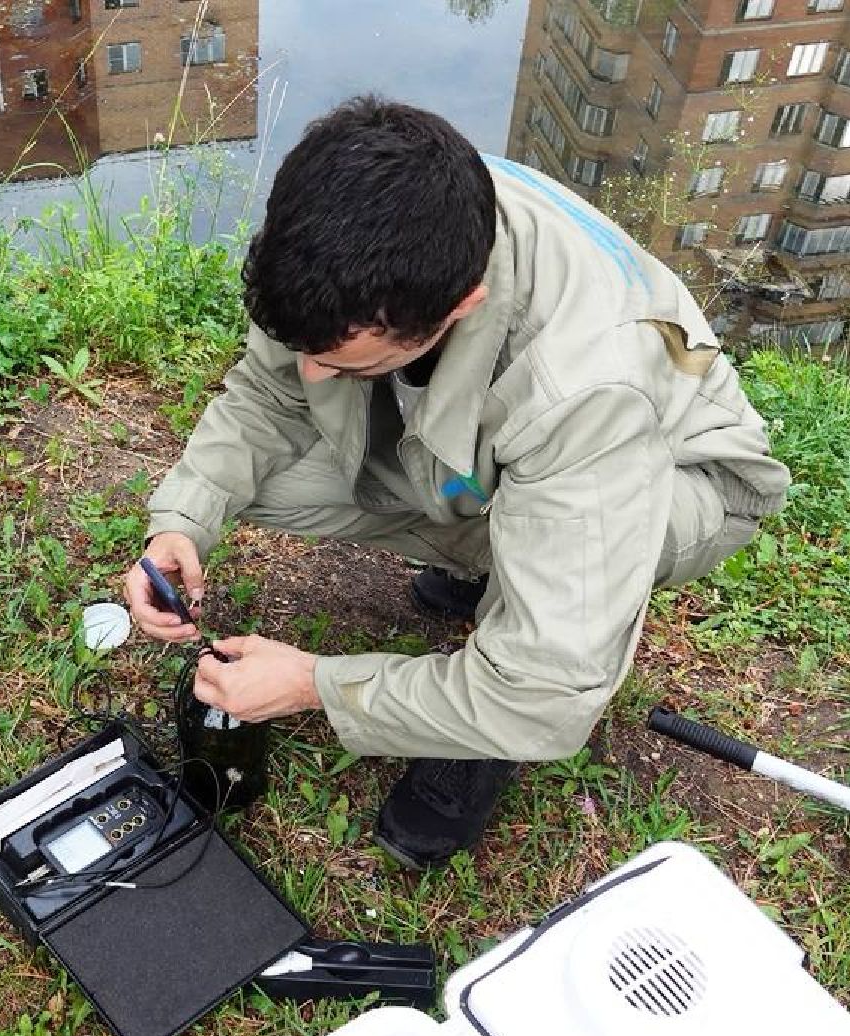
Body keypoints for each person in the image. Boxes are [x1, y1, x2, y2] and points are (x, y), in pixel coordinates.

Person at [120, 97, 791, 869]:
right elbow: (268, 394)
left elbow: (546, 700)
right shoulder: (353, 224)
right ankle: (484, 567)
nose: (309, 378)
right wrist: (182, 522)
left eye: (340, 364)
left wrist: (317, 685)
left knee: (533, 654)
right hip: (530, 446)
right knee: (262, 479)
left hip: (676, 478)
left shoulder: (585, 388)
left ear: (457, 306)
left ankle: (479, 715)